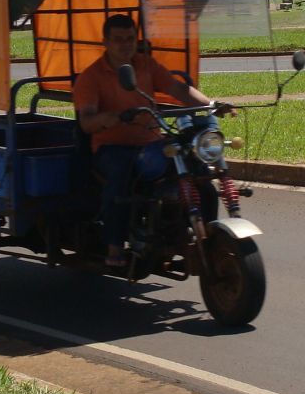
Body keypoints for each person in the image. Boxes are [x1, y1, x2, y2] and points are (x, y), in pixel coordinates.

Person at [72, 14, 231, 267]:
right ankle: (114, 246)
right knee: (121, 176)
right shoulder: (91, 78)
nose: (124, 45)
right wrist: (111, 117)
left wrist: (212, 105)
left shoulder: (145, 65)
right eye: (117, 40)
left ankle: (205, 241)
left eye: (129, 39)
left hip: (151, 144)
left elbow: (178, 89)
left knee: (199, 175)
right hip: (112, 148)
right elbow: (86, 122)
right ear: (105, 42)